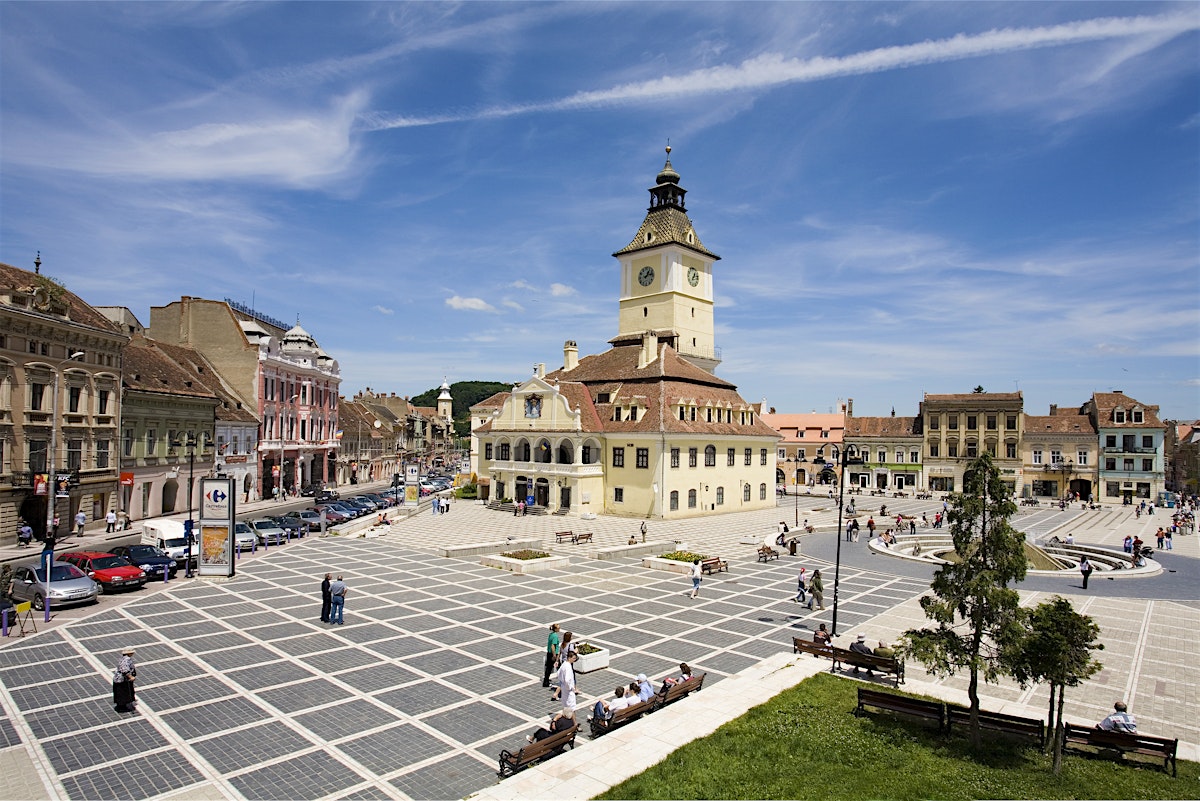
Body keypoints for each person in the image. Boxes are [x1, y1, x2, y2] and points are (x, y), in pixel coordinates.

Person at [112, 647, 137, 713]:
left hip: (120, 680)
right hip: (122, 680)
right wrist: (131, 677)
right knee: (122, 693)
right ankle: (122, 707)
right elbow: (124, 670)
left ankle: (122, 705)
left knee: (122, 693)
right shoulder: (126, 660)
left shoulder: (123, 658)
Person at [551, 632, 575, 700]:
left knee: (563, 680)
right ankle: (556, 694)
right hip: (568, 663)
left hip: (563, 663)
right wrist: (576, 650)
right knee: (565, 680)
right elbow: (573, 654)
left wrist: (557, 661)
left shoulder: (562, 644)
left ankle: (575, 688)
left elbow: (559, 653)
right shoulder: (570, 646)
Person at [543, 623, 561, 688]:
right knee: (558, 666)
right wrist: (554, 655)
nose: (559, 629)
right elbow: (553, 645)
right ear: (555, 629)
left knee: (548, 667)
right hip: (553, 654)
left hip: (549, 653)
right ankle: (546, 682)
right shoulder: (555, 636)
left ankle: (546, 680)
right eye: (558, 628)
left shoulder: (551, 634)